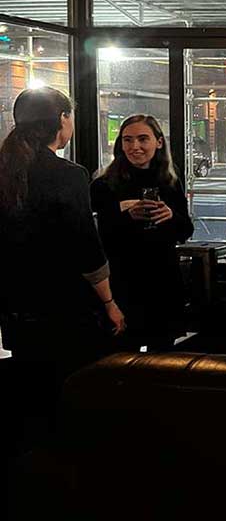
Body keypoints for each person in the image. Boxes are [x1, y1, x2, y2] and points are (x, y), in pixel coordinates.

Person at [0, 87, 125, 448]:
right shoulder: (68, 174)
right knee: (70, 387)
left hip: (16, 306)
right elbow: (85, 246)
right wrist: (109, 302)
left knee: (30, 385)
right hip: (64, 305)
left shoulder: (7, 169)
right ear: (61, 121)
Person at [91, 115, 194, 351]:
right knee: (121, 357)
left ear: (158, 142)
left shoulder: (170, 180)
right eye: (127, 140)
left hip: (162, 282)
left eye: (142, 139)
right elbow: (94, 236)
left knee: (162, 361)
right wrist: (126, 216)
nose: (134, 146)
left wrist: (170, 217)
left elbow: (185, 230)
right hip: (123, 283)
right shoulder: (104, 184)